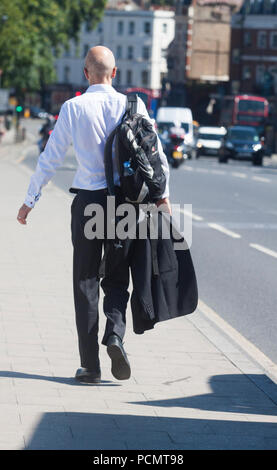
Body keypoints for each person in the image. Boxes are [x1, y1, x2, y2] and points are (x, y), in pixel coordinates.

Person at [17, 46, 170, 383]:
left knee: (85, 280)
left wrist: (30, 199)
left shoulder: (73, 107)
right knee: (117, 276)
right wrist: (163, 198)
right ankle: (115, 334)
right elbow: (154, 151)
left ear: (85, 74)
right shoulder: (134, 104)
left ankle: (90, 366)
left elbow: (51, 156)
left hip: (88, 203)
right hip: (125, 204)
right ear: (114, 74)